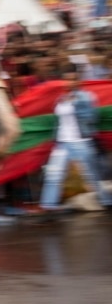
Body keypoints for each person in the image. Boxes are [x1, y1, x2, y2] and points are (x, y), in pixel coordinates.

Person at [38, 67, 111, 210]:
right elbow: (58, 122)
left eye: (73, 79)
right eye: (67, 79)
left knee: (93, 175)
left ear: (79, 81)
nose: (70, 82)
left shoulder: (86, 97)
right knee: (53, 174)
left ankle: (107, 202)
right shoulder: (60, 98)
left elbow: (92, 118)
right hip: (63, 143)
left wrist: (77, 102)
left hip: (81, 141)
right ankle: (48, 205)